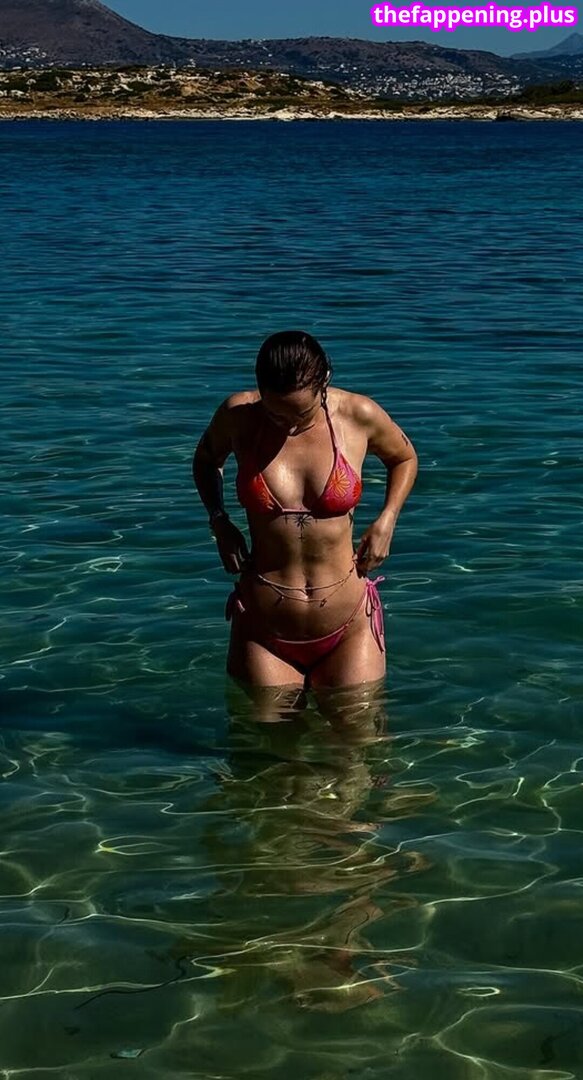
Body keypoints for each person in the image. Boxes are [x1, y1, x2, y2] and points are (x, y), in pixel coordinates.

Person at [193, 330, 417, 697]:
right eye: (275, 413)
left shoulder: (358, 415)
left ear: (323, 383)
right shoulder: (238, 416)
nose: (289, 425)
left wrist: (387, 519)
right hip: (263, 627)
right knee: (266, 733)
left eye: (301, 413)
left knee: (355, 732)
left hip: (349, 624)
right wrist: (219, 520)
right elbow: (205, 460)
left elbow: (404, 457)